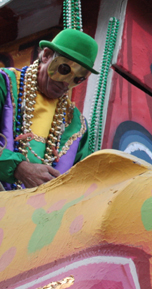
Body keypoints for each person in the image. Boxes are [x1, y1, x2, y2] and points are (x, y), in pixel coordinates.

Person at [0, 29, 99, 189]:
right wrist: (18, 168)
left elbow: (82, 183)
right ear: (46, 55)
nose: (66, 84)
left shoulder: (76, 124)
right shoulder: (5, 83)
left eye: (77, 78)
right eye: (64, 70)